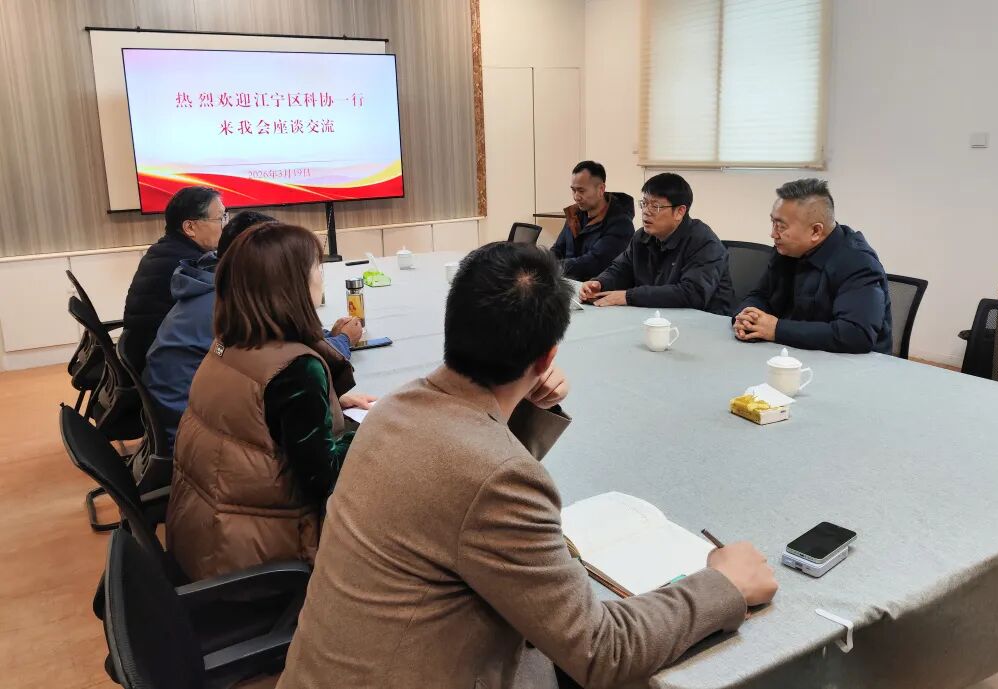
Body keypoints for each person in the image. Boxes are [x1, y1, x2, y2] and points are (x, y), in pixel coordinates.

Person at [276, 242, 777, 689]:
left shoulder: (392, 410)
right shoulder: (499, 480)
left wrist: (522, 408)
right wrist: (722, 586)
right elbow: (601, 651)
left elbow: (461, 479)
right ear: (548, 357)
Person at [165, 223, 375, 581]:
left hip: (205, 535)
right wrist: (377, 430)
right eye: (316, 268)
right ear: (292, 285)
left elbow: (257, 419)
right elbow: (324, 477)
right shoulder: (296, 370)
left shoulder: (229, 342)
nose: (321, 277)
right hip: (261, 556)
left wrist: (331, 405)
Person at [143, 210, 364, 450]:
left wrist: (327, 402)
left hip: (203, 448)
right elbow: (320, 469)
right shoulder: (290, 363)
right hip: (192, 443)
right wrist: (372, 432)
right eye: (316, 267)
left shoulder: (234, 323)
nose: (321, 276)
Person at [732, 179, 892, 354]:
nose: (773, 234)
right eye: (773, 223)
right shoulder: (787, 250)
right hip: (792, 352)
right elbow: (760, 295)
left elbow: (855, 334)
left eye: (781, 226)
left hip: (851, 363)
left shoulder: (858, 263)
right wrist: (745, 317)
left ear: (816, 231)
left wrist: (776, 329)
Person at [579, 173, 736, 314]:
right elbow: (620, 270)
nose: (646, 211)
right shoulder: (642, 237)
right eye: (644, 203)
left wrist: (628, 296)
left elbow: (692, 294)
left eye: (655, 206)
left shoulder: (704, 242)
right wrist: (599, 283)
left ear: (680, 212)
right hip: (658, 317)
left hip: (706, 322)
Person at [122, 186, 226, 371]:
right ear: (190, 227)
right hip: (165, 362)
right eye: (220, 218)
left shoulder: (164, 249)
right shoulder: (189, 266)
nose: (225, 225)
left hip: (145, 350)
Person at [549, 160, 635, 281]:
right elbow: (558, 249)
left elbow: (593, 263)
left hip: (596, 287)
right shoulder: (575, 215)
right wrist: (542, 262)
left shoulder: (621, 224)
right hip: (568, 282)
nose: (576, 197)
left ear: (601, 189)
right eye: (573, 190)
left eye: (581, 191)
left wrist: (552, 267)